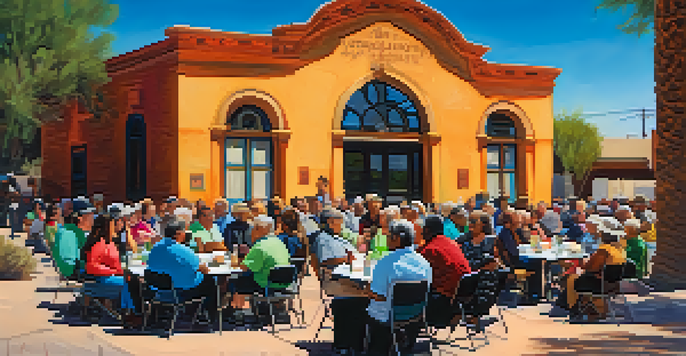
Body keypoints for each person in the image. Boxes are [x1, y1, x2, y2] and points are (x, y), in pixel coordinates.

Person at [130, 220, 219, 326]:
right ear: (178, 234)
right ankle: (211, 318)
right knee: (211, 282)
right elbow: (202, 268)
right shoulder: (184, 251)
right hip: (180, 291)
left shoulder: (155, 249)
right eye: (184, 232)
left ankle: (196, 315)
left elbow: (150, 265)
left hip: (157, 289)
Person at [366, 219, 432, 355]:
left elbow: (378, 295)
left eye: (389, 236)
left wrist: (365, 290)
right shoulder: (424, 263)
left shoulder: (385, 263)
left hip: (387, 317)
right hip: (415, 315)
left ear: (396, 238)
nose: (387, 240)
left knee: (357, 304)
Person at [561, 219, 627, 320]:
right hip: (616, 284)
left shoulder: (604, 250)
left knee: (572, 278)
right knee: (580, 276)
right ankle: (588, 308)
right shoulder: (620, 249)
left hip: (602, 285)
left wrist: (581, 263)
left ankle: (574, 309)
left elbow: (592, 268)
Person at [230, 215, 290, 321]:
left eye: (254, 228)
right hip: (285, 282)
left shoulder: (260, 246)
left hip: (265, 283)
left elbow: (244, 267)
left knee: (234, 282)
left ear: (261, 229)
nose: (252, 231)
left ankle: (236, 313)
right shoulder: (280, 243)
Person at [420, 215, 472, 327]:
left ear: (427, 230)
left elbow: (419, 275)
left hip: (443, 304)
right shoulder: (451, 243)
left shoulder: (431, 250)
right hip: (461, 299)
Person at [81, 214, 136, 314]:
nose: (114, 228)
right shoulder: (100, 243)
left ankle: (129, 310)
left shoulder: (108, 242)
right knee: (131, 284)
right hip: (102, 279)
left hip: (109, 276)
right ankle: (129, 312)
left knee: (133, 281)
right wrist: (113, 271)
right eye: (112, 226)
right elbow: (91, 266)